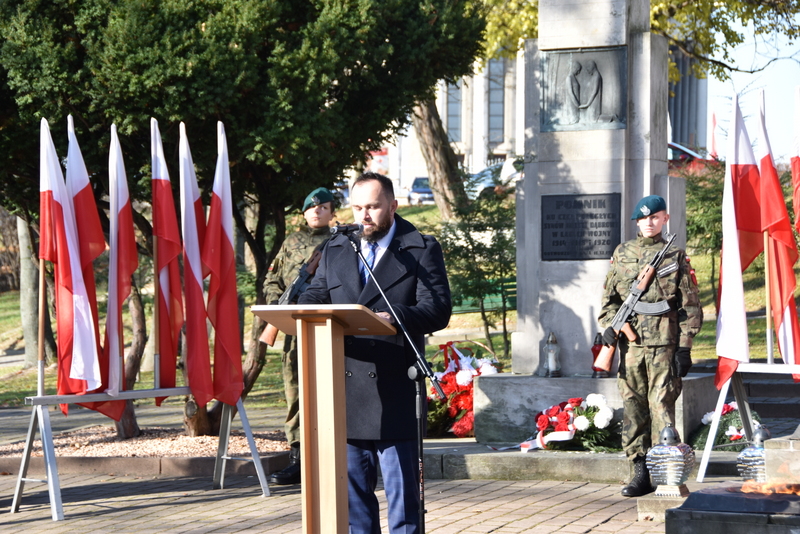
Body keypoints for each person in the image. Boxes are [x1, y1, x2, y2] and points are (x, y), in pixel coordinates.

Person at [299, 172, 451, 534]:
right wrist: (303, 311)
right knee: (355, 507)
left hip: (395, 387)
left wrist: (393, 317)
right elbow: (315, 295)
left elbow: (437, 309)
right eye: (357, 208)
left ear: (393, 206)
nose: (364, 216)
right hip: (346, 390)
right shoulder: (337, 247)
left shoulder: (420, 249)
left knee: (404, 504)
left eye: (372, 207)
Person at [598, 195, 702, 497]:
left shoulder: (675, 256)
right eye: (643, 218)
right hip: (631, 348)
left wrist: (685, 347)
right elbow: (610, 301)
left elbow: (690, 306)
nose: (649, 222)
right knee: (633, 408)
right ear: (637, 221)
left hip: (664, 346)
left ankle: (667, 471)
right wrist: (611, 327)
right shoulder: (622, 253)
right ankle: (639, 471)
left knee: (661, 407)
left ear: (665, 219)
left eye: (655, 217)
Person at [264, 186, 335, 485]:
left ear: (332, 212)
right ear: (304, 213)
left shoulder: (341, 241)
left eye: (323, 207)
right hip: (294, 328)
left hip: (328, 327)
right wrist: (276, 309)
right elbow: (272, 280)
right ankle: (298, 458)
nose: (316, 211)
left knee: (329, 390)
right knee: (295, 390)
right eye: (311, 208)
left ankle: (330, 457)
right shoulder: (291, 242)